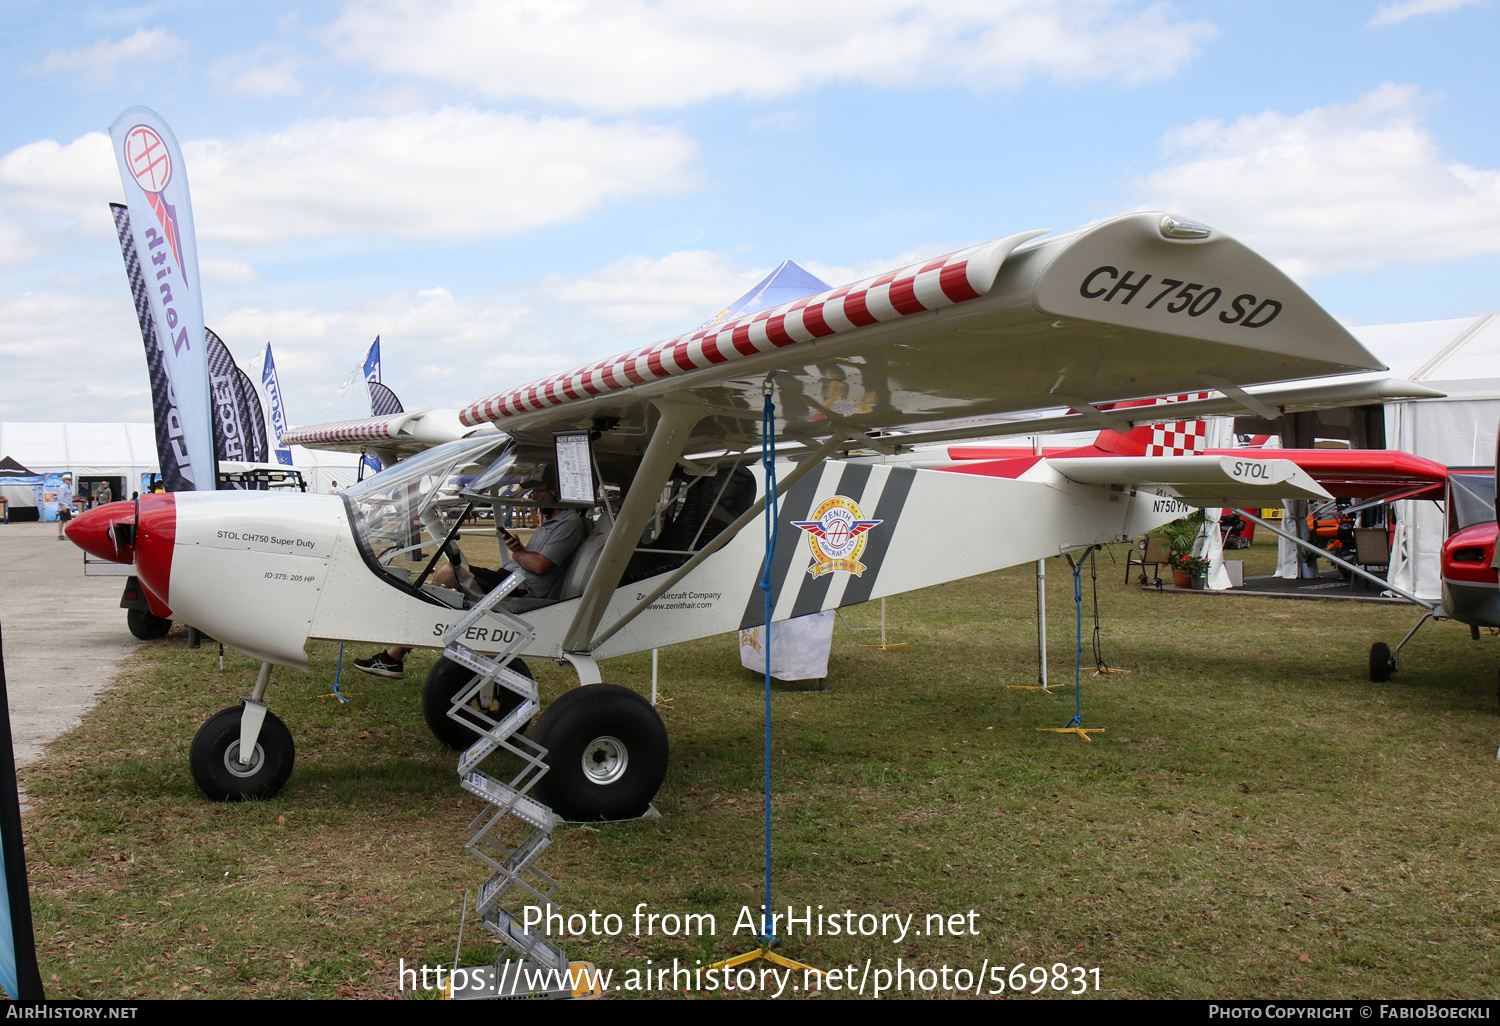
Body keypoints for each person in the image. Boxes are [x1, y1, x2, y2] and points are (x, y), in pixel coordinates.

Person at [354, 477, 586, 679]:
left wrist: (518, 552)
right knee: (436, 587)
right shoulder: (552, 522)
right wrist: (521, 549)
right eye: (533, 492)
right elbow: (536, 559)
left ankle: (394, 656)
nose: (535, 498)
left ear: (558, 492)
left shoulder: (568, 523)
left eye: (540, 492)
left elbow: (539, 565)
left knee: (447, 573)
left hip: (521, 590)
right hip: (511, 579)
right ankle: (394, 655)